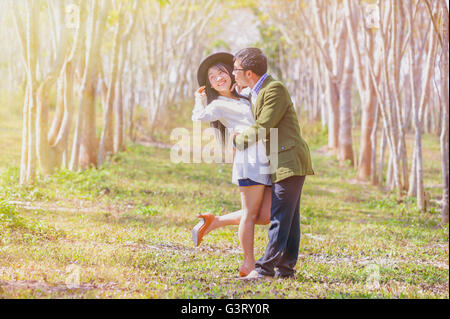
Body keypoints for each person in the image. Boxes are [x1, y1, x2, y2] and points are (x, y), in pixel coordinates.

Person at [232, 48, 314, 279]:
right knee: (290, 218)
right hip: (283, 161)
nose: (232, 73)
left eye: (236, 69)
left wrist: (239, 141)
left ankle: (265, 268)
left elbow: (264, 125)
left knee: (279, 216)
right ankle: (286, 270)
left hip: (289, 160)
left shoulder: (274, 89)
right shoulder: (259, 91)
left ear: (249, 73)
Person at [191, 52, 272, 277]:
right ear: (209, 84)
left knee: (264, 215)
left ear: (230, 73)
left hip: (264, 161)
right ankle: (249, 264)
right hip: (249, 162)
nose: (218, 78)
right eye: (212, 76)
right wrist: (199, 99)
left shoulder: (244, 96)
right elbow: (199, 118)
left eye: (221, 72)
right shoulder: (218, 105)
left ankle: (214, 222)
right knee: (249, 214)